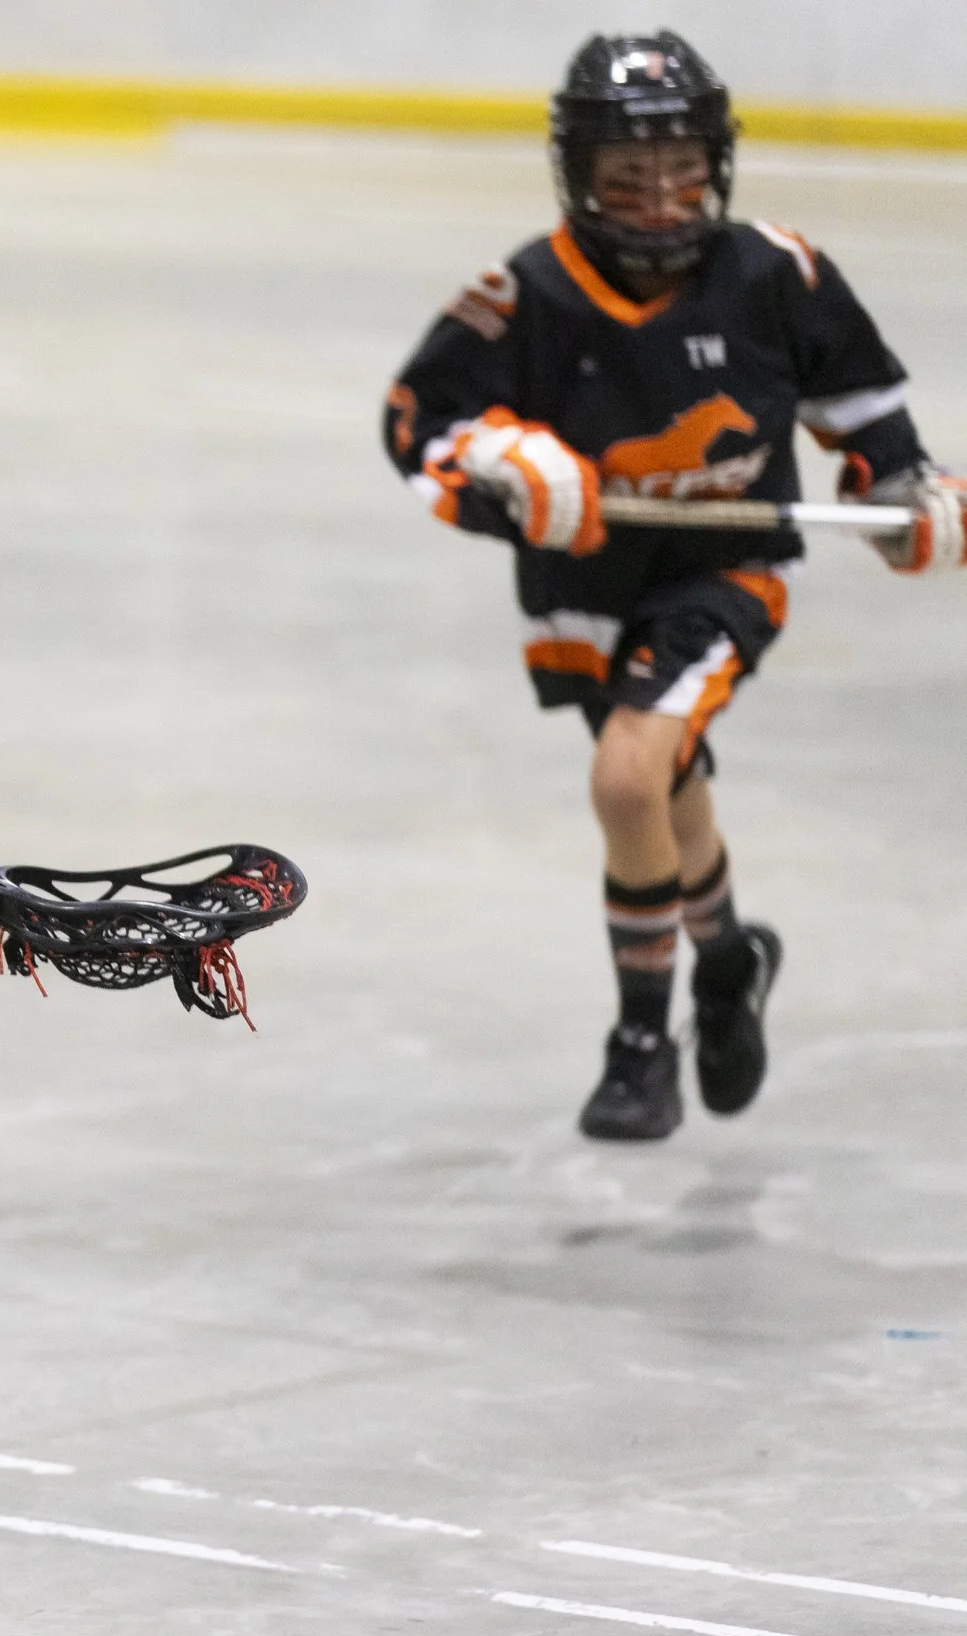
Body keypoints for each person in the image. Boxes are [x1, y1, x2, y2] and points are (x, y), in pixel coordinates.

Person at [381, 33, 967, 1141]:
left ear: (719, 165)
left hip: (723, 571)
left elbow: (871, 427)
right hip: (580, 587)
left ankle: (641, 1042)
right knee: (662, 783)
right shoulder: (526, 293)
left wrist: (909, 498)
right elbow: (420, 422)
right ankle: (728, 959)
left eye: (683, 170)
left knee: (624, 779)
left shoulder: (775, 274)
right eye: (627, 176)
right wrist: (503, 458)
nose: (659, 201)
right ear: (577, 175)